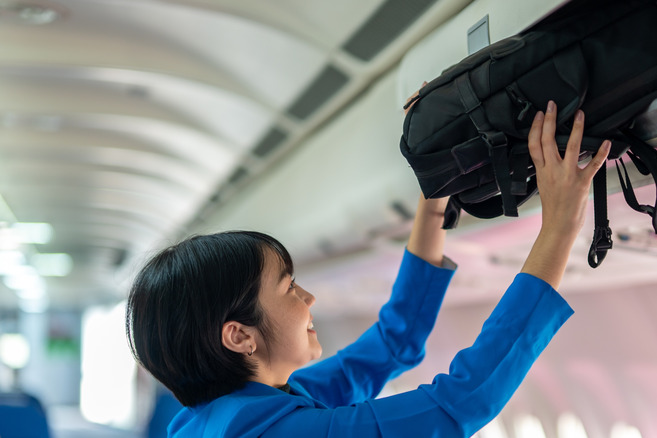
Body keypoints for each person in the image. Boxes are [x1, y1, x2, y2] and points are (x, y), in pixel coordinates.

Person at [125, 98, 610, 437]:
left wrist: (434, 189)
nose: (308, 299)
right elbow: (458, 405)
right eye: (289, 288)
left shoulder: (244, 407)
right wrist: (559, 227)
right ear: (240, 336)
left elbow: (393, 342)